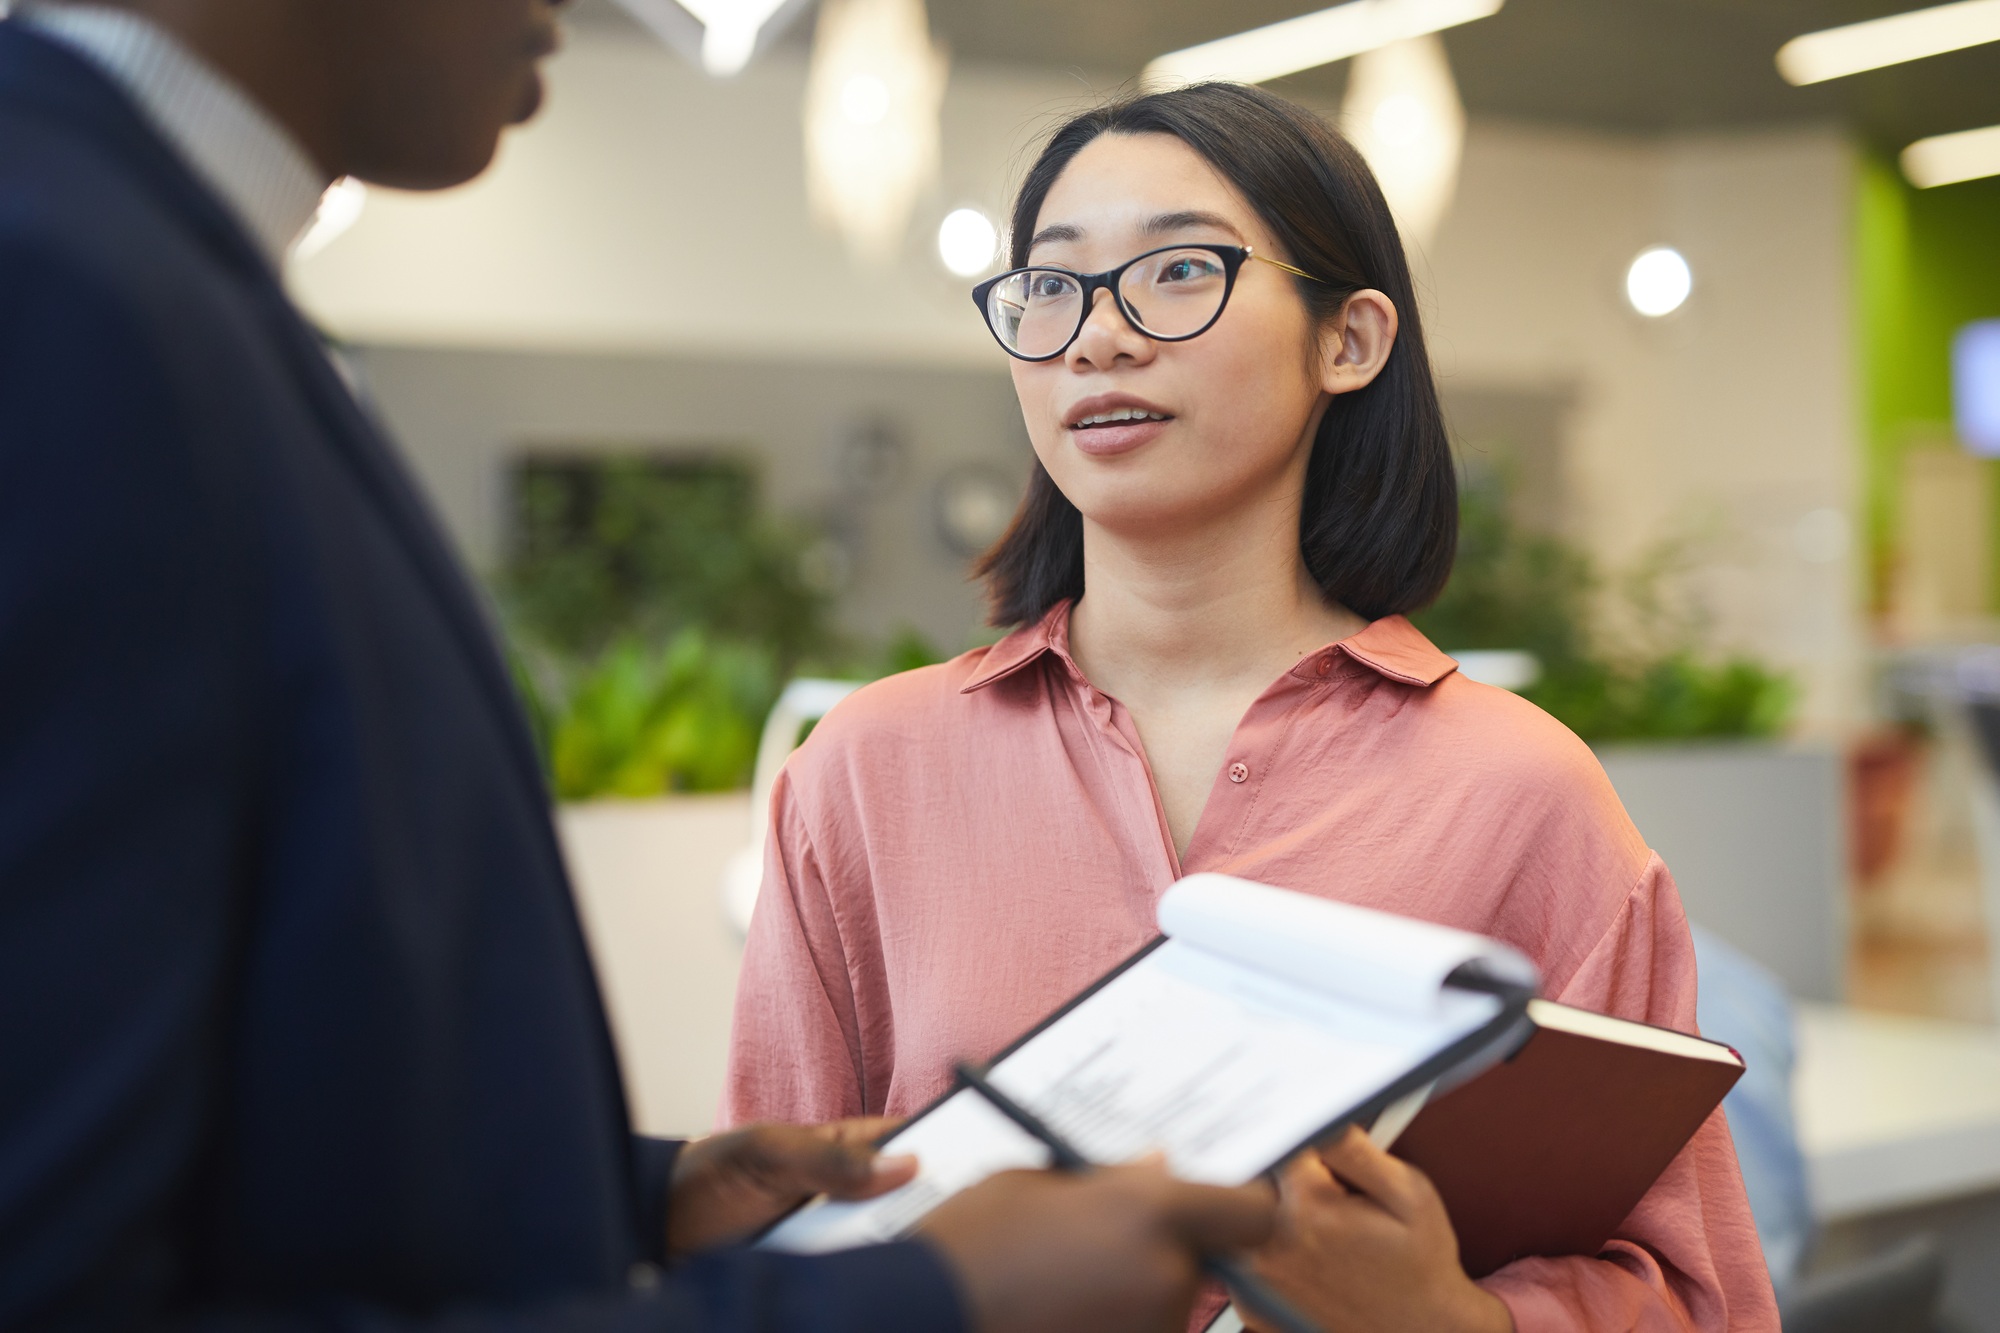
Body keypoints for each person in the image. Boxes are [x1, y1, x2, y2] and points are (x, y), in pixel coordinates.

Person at [0, 3, 1278, 1329]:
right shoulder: (58, 292)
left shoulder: (152, 281)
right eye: (1056, 286)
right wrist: (927, 1304)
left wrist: (635, 1192)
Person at [724, 83, 1782, 1332]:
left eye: (1176, 272)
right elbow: (765, 1247)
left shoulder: (1520, 791)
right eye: (1049, 287)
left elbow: (1697, 1299)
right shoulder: (862, 771)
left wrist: (1442, 1317)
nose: (1094, 339)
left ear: (1350, 339)